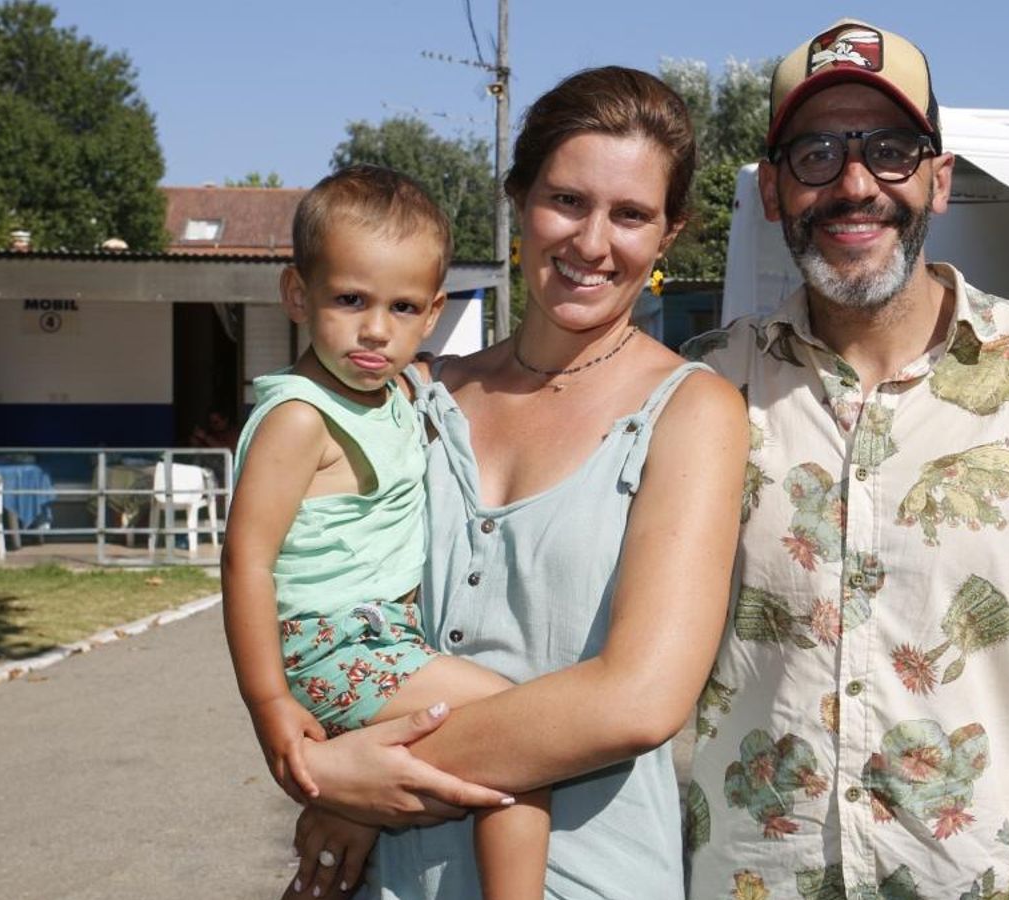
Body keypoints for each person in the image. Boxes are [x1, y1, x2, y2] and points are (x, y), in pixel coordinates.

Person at [679, 20, 1009, 900]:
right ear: (774, 192)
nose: (855, 185)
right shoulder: (700, 390)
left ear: (940, 179)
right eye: (816, 152)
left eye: (891, 150)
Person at [281, 67, 747, 900]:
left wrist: (358, 780)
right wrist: (319, 760)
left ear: (670, 234)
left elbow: (637, 699)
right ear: (518, 200)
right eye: (567, 200)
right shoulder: (410, 397)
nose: (594, 243)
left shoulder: (693, 412)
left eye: (631, 215)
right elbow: (314, 602)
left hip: (588, 877)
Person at [221, 164, 551, 900]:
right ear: (297, 296)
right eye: (350, 300)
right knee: (525, 743)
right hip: (335, 644)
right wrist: (268, 701)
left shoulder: (399, 387)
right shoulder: (301, 418)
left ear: (433, 312)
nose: (377, 329)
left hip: (383, 638)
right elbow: (246, 561)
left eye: (402, 308)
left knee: (352, 844)